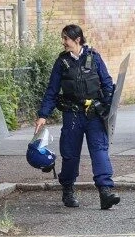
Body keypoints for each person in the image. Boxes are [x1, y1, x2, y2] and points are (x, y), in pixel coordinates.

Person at [33, 24, 120, 210]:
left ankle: (105, 192)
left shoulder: (94, 58)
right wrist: (43, 115)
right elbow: (52, 90)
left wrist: (105, 108)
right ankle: (68, 190)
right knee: (70, 154)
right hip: (72, 115)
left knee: (99, 151)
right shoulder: (62, 62)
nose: (63, 42)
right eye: (63, 38)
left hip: (94, 115)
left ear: (77, 39)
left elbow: (107, 84)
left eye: (66, 38)